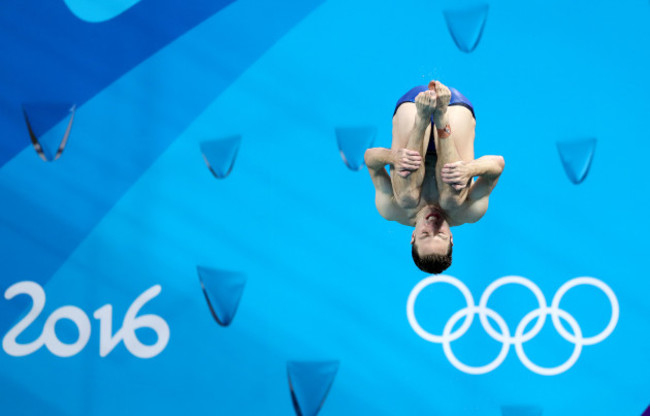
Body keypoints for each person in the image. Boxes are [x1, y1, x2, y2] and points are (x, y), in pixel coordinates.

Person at [364, 80, 504, 273]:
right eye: (440, 234)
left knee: (406, 197)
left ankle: (422, 120)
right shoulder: (470, 212)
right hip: (453, 112)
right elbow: (497, 164)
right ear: (452, 238)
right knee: (451, 200)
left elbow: (370, 159)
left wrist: (393, 157)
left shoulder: (390, 209)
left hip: (413, 111)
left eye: (424, 234)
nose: (432, 225)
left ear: (412, 236)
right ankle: (440, 117)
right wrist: (470, 170)